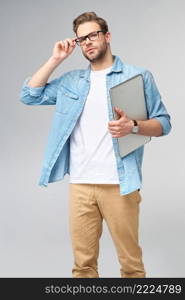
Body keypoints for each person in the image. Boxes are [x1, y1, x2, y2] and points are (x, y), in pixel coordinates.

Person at [20, 11, 171, 278]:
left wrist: (133, 126)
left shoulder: (138, 76)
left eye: (92, 35)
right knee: (83, 267)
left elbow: (163, 124)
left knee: (131, 266)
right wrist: (55, 59)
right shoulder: (71, 81)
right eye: (81, 39)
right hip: (80, 185)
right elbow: (29, 95)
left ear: (107, 36)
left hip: (120, 185)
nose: (87, 42)